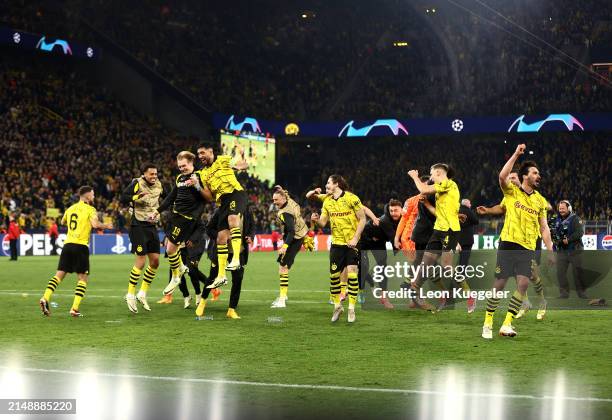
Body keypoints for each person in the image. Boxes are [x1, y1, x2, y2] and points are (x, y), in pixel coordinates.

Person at [481, 144, 554, 340]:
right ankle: (488, 321)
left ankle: (506, 324)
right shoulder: (512, 192)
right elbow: (502, 177)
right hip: (508, 243)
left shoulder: (540, 201)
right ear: (525, 176)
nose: (539, 176)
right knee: (500, 283)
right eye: (535, 173)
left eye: (539, 173)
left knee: (522, 284)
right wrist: (515, 154)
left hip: (528, 247)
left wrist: (550, 249)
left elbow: (544, 227)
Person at [476, 171, 548, 321]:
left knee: (532, 275)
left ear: (520, 178)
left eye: (513, 177)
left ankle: (542, 301)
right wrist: (488, 210)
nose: (511, 180)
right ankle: (525, 303)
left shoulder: (535, 198)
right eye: (510, 178)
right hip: (513, 240)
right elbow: (502, 208)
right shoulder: (510, 194)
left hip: (532, 240)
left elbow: (543, 224)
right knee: (518, 274)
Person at [408, 164, 475, 313]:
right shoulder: (442, 191)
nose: (431, 178)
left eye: (432, 175)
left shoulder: (449, 184)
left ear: (438, 173)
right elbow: (439, 212)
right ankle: (414, 290)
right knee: (426, 263)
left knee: (447, 267)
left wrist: (414, 177)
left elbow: (423, 189)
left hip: (450, 231)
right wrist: (426, 203)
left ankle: (469, 295)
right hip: (438, 230)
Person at [39, 186, 113, 317]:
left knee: (59, 275)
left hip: (68, 245)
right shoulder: (90, 209)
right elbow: (95, 225)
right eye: (93, 194)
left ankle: (45, 298)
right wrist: (106, 225)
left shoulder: (70, 208)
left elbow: (63, 221)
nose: (94, 197)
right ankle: (74, 308)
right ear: (87, 195)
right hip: (80, 246)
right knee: (82, 278)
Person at [311, 175, 366, 323]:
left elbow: (362, 219)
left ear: (336, 184)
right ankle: (337, 306)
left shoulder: (351, 198)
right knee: (334, 277)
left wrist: (355, 238)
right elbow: (323, 223)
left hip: (352, 243)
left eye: (329, 182)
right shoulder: (327, 201)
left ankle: (351, 309)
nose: (326, 185)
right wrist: (316, 221)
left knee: (352, 274)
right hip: (336, 243)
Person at [156, 151, 210, 296]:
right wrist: (158, 210)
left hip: (186, 218)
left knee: (170, 250)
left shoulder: (199, 176)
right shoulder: (180, 178)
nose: (182, 168)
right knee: (170, 248)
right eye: (180, 166)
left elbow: (207, 198)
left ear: (191, 163)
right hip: (176, 216)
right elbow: (171, 197)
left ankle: (176, 276)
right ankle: (180, 268)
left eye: (184, 165)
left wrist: (197, 185)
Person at [196, 144, 248, 288]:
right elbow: (209, 197)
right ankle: (221, 276)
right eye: (198, 154)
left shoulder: (223, 160)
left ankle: (236, 258)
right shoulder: (202, 174)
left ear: (210, 151)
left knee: (233, 220)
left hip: (236, 193)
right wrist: (197, 186)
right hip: (222, 202)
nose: (200, 156)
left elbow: (245, 165)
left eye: (202, 152)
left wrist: (239, 164)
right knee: (221, 239)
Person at [195, 205, 255, 319]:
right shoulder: (221, 210)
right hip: (221, 250)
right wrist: (222, 236)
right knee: (213, 277)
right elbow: (209, 229)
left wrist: (250, 236)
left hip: (239, 251)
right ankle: (202, 302)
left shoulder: (246, 210)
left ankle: (231, 309)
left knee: (237, 280)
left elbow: (252, 226)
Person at [120, 163, 165, 313]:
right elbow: (123, 197)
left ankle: (142, 293)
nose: (154, 176)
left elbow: (167, 198)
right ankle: (130, 293)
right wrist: (136, 196)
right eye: (151, 174)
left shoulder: (159, 185)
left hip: (151, 225)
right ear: (144, 174)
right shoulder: (136, 183)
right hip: (137, 225)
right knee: (141, 260)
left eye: (155, 173)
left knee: (155, 261)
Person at [360, 199, 403, 309]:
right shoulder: (385, 221)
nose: (393, 213)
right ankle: (370, 284)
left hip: (379, 242)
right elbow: (394, 239)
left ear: (402, 210)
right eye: (391, 211)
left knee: (383, 267)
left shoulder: (403, 218)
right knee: (363, 268)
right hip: (365, 238)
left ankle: (384, 298)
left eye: (396, 210)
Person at [270, 186, 308, 309]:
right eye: (273, 200)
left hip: (295, 238)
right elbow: (286, 195)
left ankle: (282, 299)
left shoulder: (285, 213)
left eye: (276, 200)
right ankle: (283, 295)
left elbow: (291, 231)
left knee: (283, 268)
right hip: (300, 233)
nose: (274, 202)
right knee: (282, 266)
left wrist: (285, 246)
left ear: (282, 198)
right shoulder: (290, 201)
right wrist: (282, 189)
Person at [553, 200, 586, 298]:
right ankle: (564, 293)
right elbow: (554, 233)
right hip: (562, 251)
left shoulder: (575, 218)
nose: (561, 210)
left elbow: (580, 232)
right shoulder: (556, 219)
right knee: (560, 273)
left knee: (577, 272)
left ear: (569, 208)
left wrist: (569, 239)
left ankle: (581, 293)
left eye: (563, 208)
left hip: (575, 250)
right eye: (560, 209)